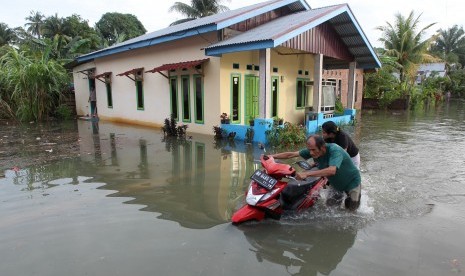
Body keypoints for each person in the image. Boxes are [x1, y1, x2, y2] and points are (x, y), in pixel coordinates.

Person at [268, 135, 361, 211]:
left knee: (351, 211)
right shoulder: (312, 151)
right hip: (336, 184)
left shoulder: (335, 150)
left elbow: (332, 170)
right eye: (309, 150)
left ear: (323, 147)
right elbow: (291, 154)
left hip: (352, 182)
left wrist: (307, 174)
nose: (311, 153)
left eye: (313, 150)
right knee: (330, 210)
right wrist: (270, 157)